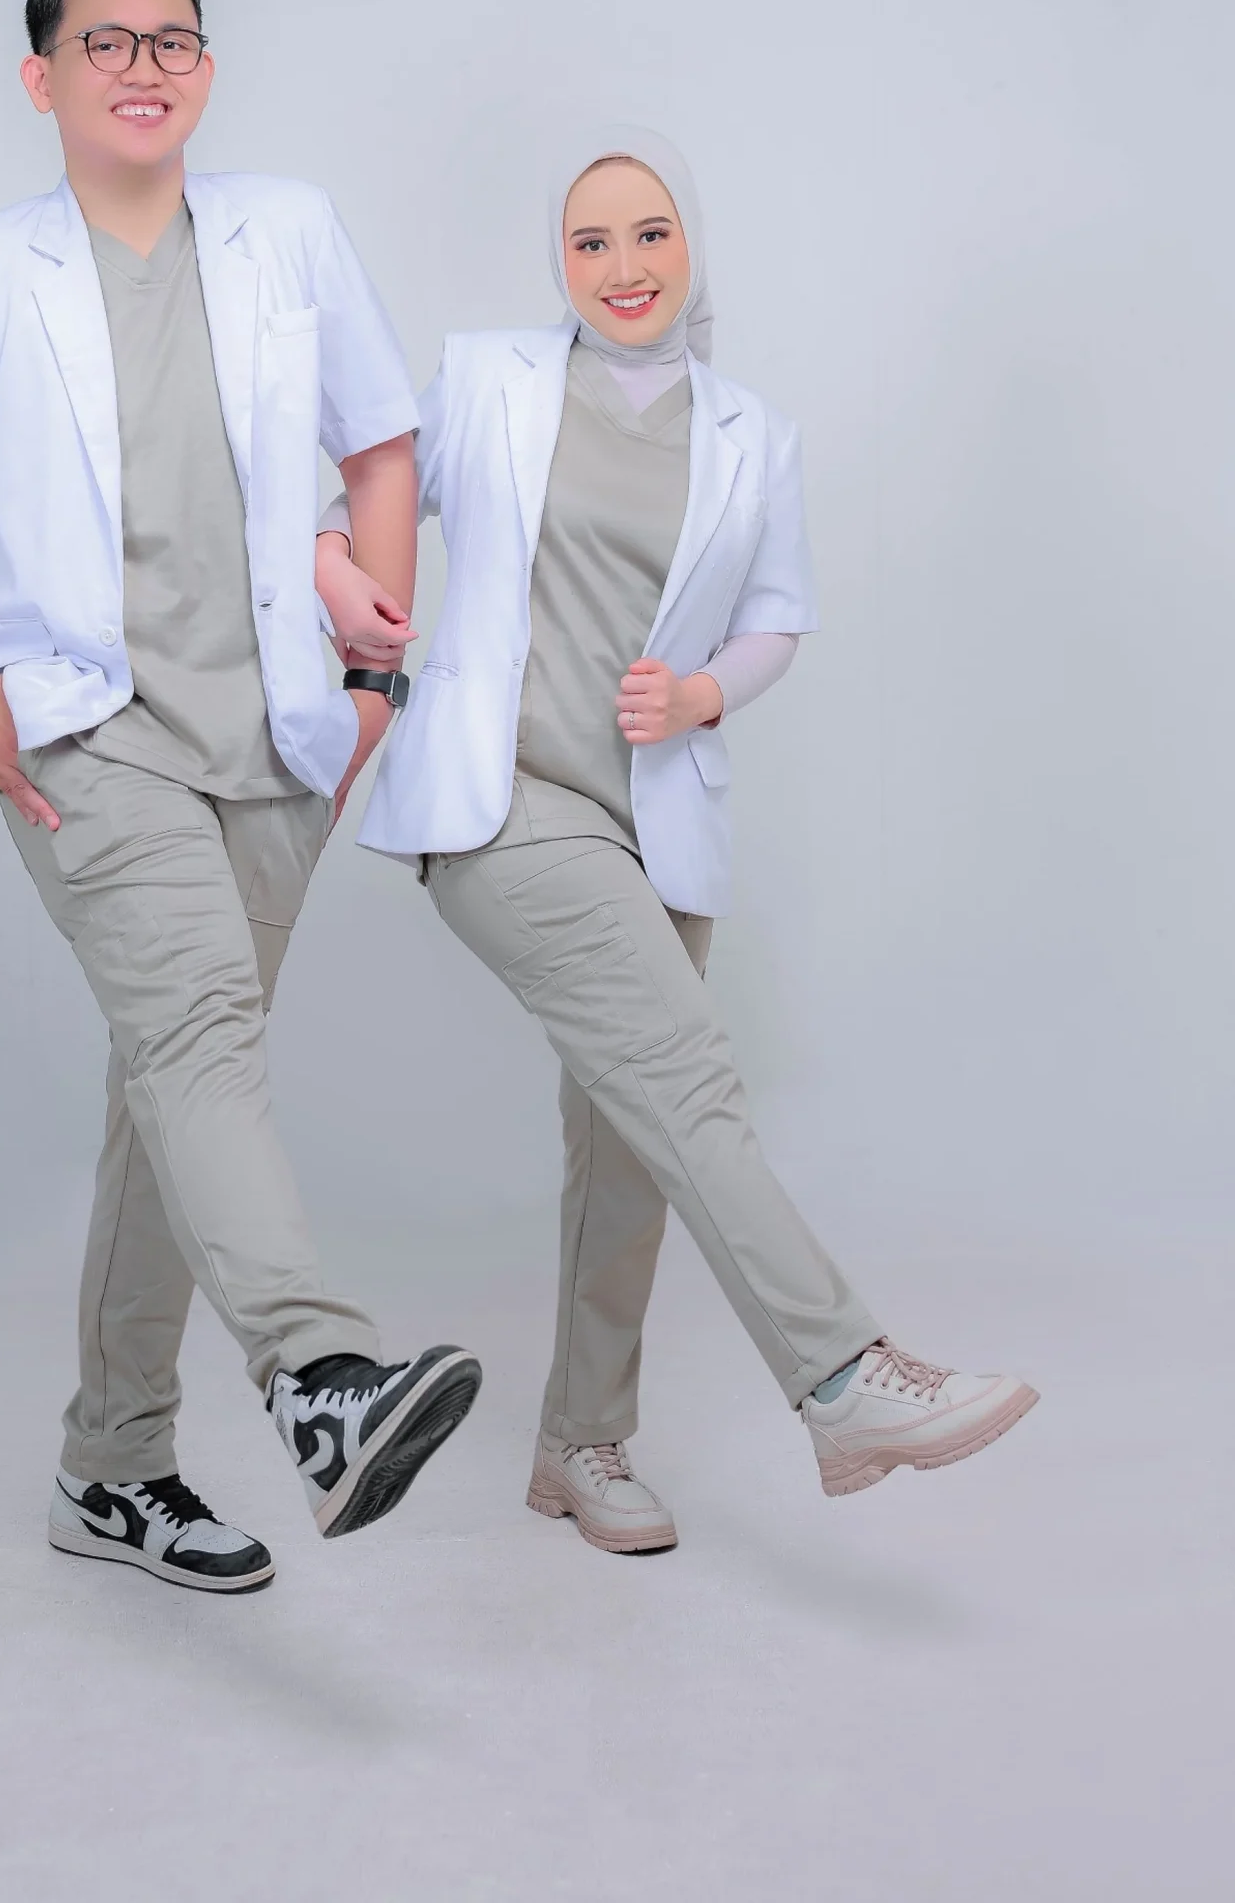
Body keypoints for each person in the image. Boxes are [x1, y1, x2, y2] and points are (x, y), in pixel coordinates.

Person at [0, 0, 480, 1595]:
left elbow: (380, 442)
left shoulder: (285, 232)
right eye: (104, 42)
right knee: (197, 1047)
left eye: (171, 39)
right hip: (88, 740)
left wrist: (374, 675)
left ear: (206, 71)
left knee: (173, 1099)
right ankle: (321, 1378)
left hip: (278, 743)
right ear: (42, 79)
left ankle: (109, 1471)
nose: (142, 66)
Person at [316, 122, 1034, 1554]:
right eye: (589, 241)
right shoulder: (488, 379)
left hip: (656, 820)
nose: (622, 265)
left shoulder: (752, 433)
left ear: (691, 245)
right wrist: (337, 567)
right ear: (559, 260)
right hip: (507, 801)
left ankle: (578, 1446)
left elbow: (776, 621)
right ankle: (843, 1375)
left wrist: (704, 693)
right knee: (690, 1085)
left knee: (630, 1149)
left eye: (649, 233)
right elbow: (357, 498)